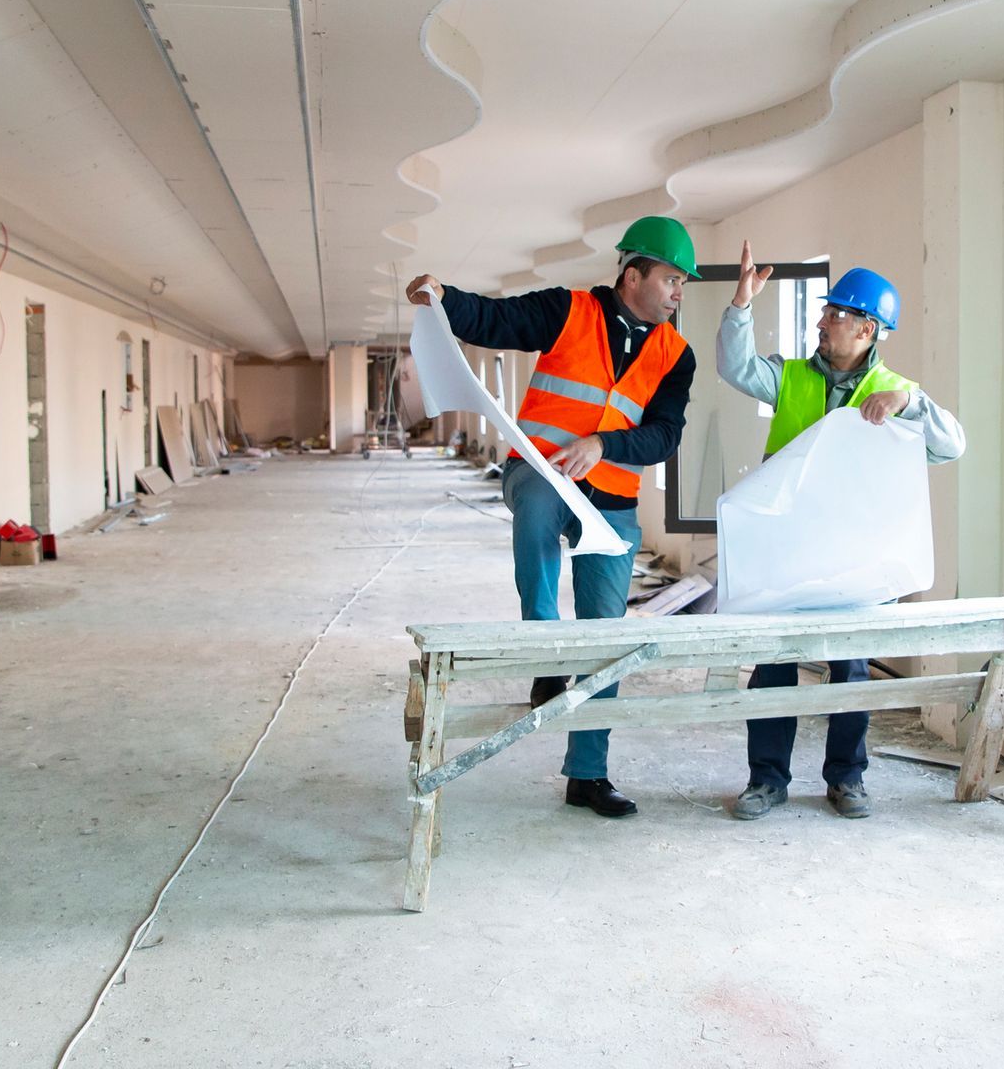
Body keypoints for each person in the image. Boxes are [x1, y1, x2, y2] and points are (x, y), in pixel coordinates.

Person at [404, 216, 698, 818]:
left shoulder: (676, 354)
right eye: (671, 279)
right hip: (536, 472)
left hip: (610, 500)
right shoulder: (568, 311)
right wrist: (443, 297)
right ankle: (544, 648)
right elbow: (494, 319)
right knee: (539, 501)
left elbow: (665, 434)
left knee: (606, 640)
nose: (678, 293)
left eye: (683, 285)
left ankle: (588, 775)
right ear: (633, 273)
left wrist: (604, 446)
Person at [716, 241, 964, 821]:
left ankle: (847, 779)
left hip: (854, 556)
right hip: (789, 550)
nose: (823, 322)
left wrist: (910, 402)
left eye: (837, 315)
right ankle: (767, 780)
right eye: (825, 313)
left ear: (869, 328)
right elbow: (735, 367)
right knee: (774, 666)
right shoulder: (792, 378)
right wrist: (741, 308)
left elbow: (952, 446)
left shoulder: (896, 392)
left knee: (850, 667)